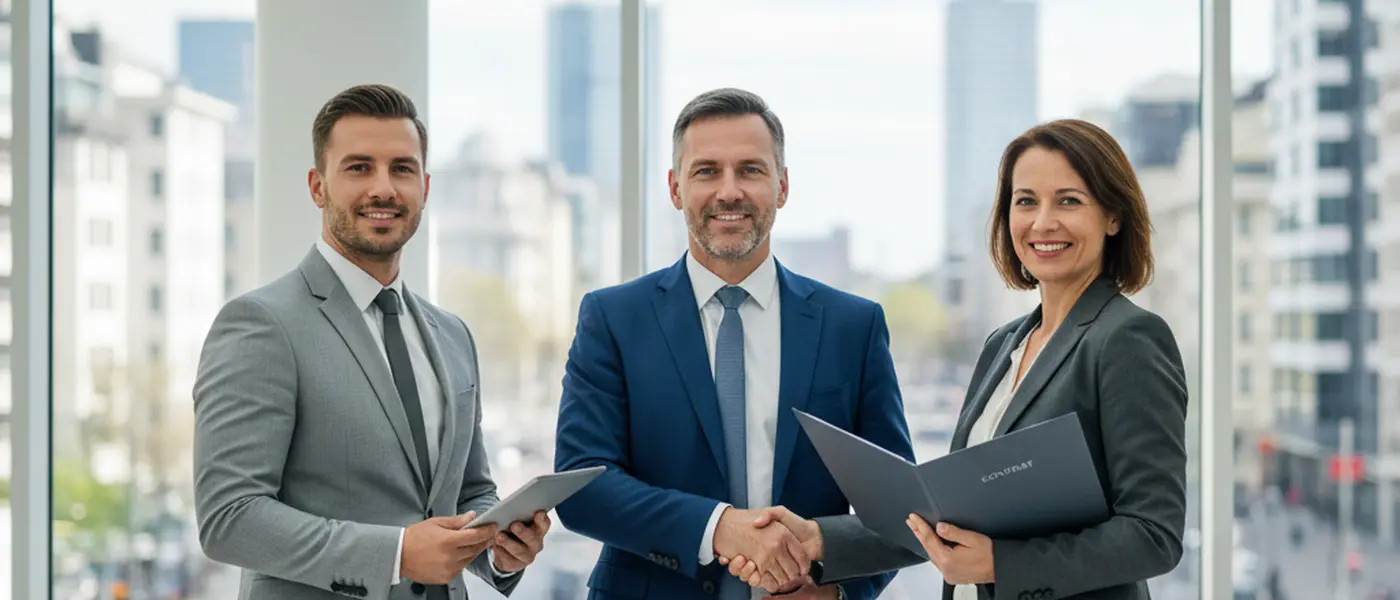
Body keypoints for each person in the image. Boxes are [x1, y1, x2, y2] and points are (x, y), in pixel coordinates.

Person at [723, 118, 1188, 600]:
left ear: (1113, 217)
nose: (1043, 222)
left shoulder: (1128, 338)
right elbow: (948, 519)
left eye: (1068, 200)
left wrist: (1000, 564)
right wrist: (819, 538)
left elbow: (1154, 534)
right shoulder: (1004, 344)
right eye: (1025, 201)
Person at [552, 87, 915, 600]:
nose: (729, 191)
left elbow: (902, 510)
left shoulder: (852, 327)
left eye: (750, 170)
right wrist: (721, 527)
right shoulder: (612, 318)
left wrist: (838, 593)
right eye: (706, 172)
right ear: (676, 188)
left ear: (782, 185)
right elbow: (583, 486)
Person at [193, 84, 549, 600]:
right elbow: (229, 517)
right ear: (318, 187)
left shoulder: (452, 334)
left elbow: (468, 491)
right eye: (359, 168)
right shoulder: (260, 324)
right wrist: (398, 554)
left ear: (424, 187)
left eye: (401, 169)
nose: (383, 188)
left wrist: (500, 548)